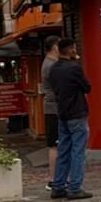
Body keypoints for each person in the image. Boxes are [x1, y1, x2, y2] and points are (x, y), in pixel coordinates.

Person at [47, 38, 93, 200]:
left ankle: (58, 186)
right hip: (76, 112)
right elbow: (87, 87)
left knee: (63, 150)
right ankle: (75, 187)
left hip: (62, 113)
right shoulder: (74, 68)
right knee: (78, 151)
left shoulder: (53, 69)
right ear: (71, 50)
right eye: (74, 48)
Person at [40, 36, 61, 192]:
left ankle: (56, 177)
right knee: (54, 144)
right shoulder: (52, 66)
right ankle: (54, 178)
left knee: (55, 143)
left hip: (52, 107)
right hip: (54, 107)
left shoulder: (48, 64)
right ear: (55, 47)